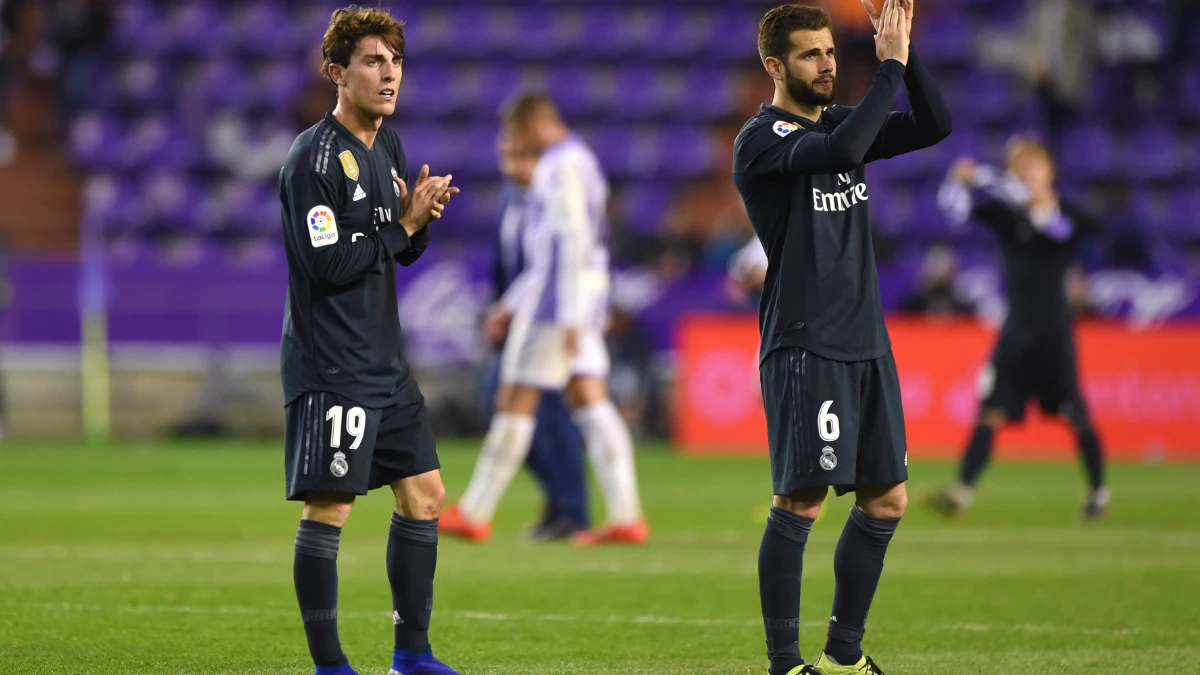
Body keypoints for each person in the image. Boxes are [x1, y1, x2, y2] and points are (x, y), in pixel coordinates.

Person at [732, 2, 951, 673]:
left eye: (830, 52)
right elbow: (845, 151)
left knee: (887, 498)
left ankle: (844, 659)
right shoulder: (762, 138)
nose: (827, 64)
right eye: (809, 55)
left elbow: (935, 124)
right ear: (775, 65)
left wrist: (906, 56)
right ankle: (783, 663)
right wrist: (886, 67)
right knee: (800, 500)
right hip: (807, 342)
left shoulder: (833, 121)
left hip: (866, 340)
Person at [278, 7, 460, 675]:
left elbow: (397, 254)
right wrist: (400, 226)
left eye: (396, 62)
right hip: (332, 363)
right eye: (373, 62)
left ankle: (411, 654)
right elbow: (327, 266)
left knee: (427, 493)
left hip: (384, 360)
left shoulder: (389, 147)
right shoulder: (314, 159)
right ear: (337, 73)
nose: (389, 74)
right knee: (332, 506)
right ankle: (330, 665)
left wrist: (421, 221)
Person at [440, 94, 648, 546]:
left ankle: (474, 511)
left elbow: (568, 243)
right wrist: (515, 305)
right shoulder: (581, 162)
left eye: (517, 134)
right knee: (591, 402)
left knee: (514, 397)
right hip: (577, 297)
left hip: (558, 304)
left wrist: (569, 314)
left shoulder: (560, 166)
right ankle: (625, 514)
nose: (514, 145)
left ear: (534, 124)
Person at [926, 136, 1109, 520]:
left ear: (1050, 170)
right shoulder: (1006, 215)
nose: (1029, 172)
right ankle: (961, 491)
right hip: (1017, 329)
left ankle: (1097, 492)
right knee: (991, 412)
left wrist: (1047, 210)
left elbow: (1089, 228)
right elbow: (954, 213)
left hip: (1054, 330)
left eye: (1035, 164)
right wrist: (959, 180)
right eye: (1021, 166)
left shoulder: (1067, 215)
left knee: (1075, 413)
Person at [480, 132, 591, 541]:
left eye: (520, 157)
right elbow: (511, 262)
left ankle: (571, 509)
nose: (511, 167)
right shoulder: (514, 199)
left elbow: (552, 264)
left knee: (551, 416)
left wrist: (509, 307)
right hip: (521, 320)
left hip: (549, 317)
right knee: (510, 407)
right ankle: (560, 501)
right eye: (506, 156)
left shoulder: (553, 197)